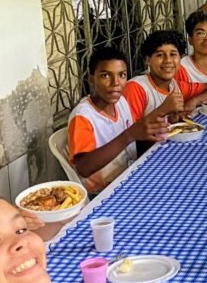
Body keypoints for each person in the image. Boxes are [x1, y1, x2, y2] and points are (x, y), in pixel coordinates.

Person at [69, 46, 168, 193]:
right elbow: (84, 168)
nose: (115, 83)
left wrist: (150, 134)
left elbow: (132, 145)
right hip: (104, 192)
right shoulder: (83, 116)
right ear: (91, 80)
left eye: (122, 75)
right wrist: (129, 135)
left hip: (129, 177)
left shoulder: (121, 102)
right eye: (105, 75)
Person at [124, 30, 186, 122]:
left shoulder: (173, 85)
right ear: (148, 60)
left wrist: (173, 118)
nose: (168, 60)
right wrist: (163, 110)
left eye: (173, 54)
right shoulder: (136, 88)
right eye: (160, 55)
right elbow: (130, 129)